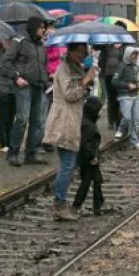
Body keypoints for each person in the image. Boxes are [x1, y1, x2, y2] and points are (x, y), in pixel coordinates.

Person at [43, 42, 96, 221]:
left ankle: (60, 202)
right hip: (64, 121)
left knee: (68, 164)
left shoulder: (74, 67)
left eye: (84, 52)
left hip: (70, 119)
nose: (82, 55)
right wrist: (86, 81)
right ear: (70, 51)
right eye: (79, 52)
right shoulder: (64, 68)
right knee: (67, 165)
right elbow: (69, 95)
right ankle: (59, 204)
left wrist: (85, 82)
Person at [1, 16, 49, 167]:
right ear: (35, 28)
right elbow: (6, 61)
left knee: (38, 122)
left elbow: (43, 64)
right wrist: (16, 77)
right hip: (24, 86)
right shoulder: (19, 41)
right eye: (41, 28)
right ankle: (13, 153)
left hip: (39, 85)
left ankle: (32, 153)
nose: (44, 30)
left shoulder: (42, 45)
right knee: (22, 119)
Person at [72, 95, 104, 216]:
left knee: (95, 180)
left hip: (86, 158)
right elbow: (86, 144)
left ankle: (97, 205)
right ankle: (80, 205)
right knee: (88, 182)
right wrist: (92, 157)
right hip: (89, 159)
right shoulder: (89, 126)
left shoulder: (85, 122)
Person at [113, 46, 139, 150]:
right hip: (124, 95)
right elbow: (115, 81)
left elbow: (136, 78)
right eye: (133, 54)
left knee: (136, 120)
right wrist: (127, 85)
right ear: (128, 54)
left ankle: (135, 141)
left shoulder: (136, 67)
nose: (135, 56)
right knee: (127, 117)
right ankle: (120, 129)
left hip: (135, 95)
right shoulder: (121, 66)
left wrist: (138, 83)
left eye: (136, 55)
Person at [0, 40, 15, 152]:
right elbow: (1, 70)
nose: (9, 44)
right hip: (2, 89)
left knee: (11, 118)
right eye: (7, 42)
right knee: (3, 117)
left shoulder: (14, 55)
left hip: (13, 89)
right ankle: (3, 143)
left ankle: (11, 141)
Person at [100, 43, 124, 132]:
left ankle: (118, 122)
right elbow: (101, 62)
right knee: (112, 99)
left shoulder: (123, 47)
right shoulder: (106, 48)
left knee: (117, 100)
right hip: (109, 77)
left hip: (118, 77)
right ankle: (113, 122)